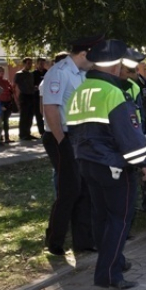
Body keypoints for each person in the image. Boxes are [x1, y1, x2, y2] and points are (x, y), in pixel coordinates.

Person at [66, 39, 146, 290]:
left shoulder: (80, 91)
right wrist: (145, 164)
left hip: (87, 163)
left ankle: (113, 259)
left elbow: (75, 130)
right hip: (114, 166)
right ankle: (109, 274)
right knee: (120, 219)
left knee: (101, 216)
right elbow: (130, 139)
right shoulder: (113, 93)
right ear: (115, 65)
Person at [40, 34, 103, 256]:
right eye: (94, 57)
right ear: (84, 54)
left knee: (85, 187)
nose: (97, 62)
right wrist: (62, 142)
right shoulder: (59, 73)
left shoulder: (83, 74)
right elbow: (50, 109)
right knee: (70, 189)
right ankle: (55, 241)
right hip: (61, 136)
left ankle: (83, 241)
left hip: (80, 136)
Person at [13, 57, 38, 140]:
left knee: (30, 116)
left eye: (31, 63)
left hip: (31, 95)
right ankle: (22, 134)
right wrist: (15, 98)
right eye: (28, 63)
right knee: (24, 116)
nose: (30, 65)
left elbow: (31, 85)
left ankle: (28, 133)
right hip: (24, 96)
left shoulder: (31, 74)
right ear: (24, 64)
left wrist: (35, 88)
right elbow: (14, 86)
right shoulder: (19, 74)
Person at [32, 57, 48, 135]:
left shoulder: (47, 72)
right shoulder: (34, 73)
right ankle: (42, 132)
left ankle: (48, 129)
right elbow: (32, 85)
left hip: (47, 95)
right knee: (39, 114)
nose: (42, 65)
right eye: (40, 63)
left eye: (43, 63)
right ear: (37, 64)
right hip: (37, 97)